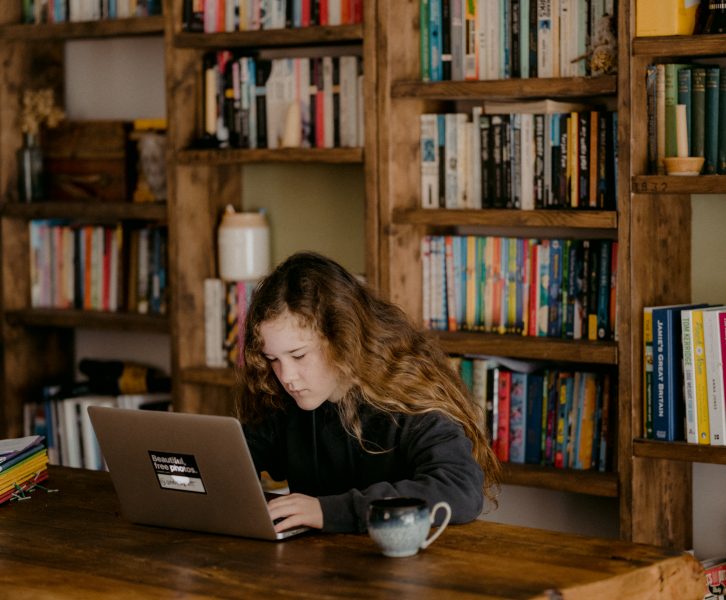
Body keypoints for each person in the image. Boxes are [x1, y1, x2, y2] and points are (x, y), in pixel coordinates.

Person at [238, 251, 501, 534]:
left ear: (343, 338)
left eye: (299, 356)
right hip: (318, 566)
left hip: (406, 568)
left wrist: (326, 511)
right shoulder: (282, 398)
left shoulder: (410, 396)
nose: (286, 376)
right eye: (273, 359)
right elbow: (238, 460)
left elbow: (459, 489)